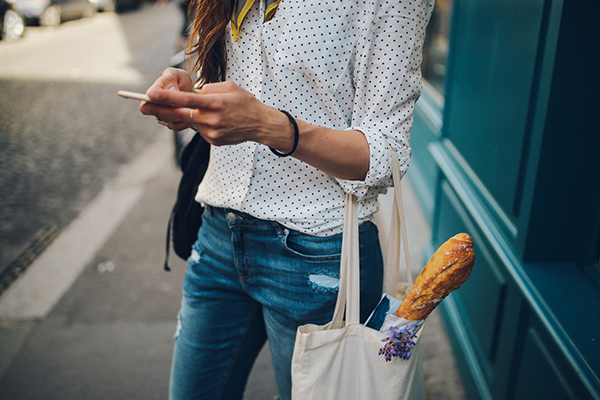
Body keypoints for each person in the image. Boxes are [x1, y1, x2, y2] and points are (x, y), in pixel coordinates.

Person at [140, 0, 433, 398]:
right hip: (218, 236)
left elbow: (387, 154)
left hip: (318, 254)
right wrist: (193, 98)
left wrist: (266, 125)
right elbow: (261, 82)